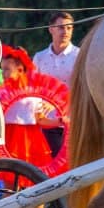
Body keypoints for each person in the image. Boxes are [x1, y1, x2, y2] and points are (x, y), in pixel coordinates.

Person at [32, 11, 77, 156]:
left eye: (69, 28)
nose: (66, 32)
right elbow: (33, 89)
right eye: (61, 27)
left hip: (73, 120)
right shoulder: (39, 57)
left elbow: (82, 90)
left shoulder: (79, 56)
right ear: (51, 29)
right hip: (47, 122)